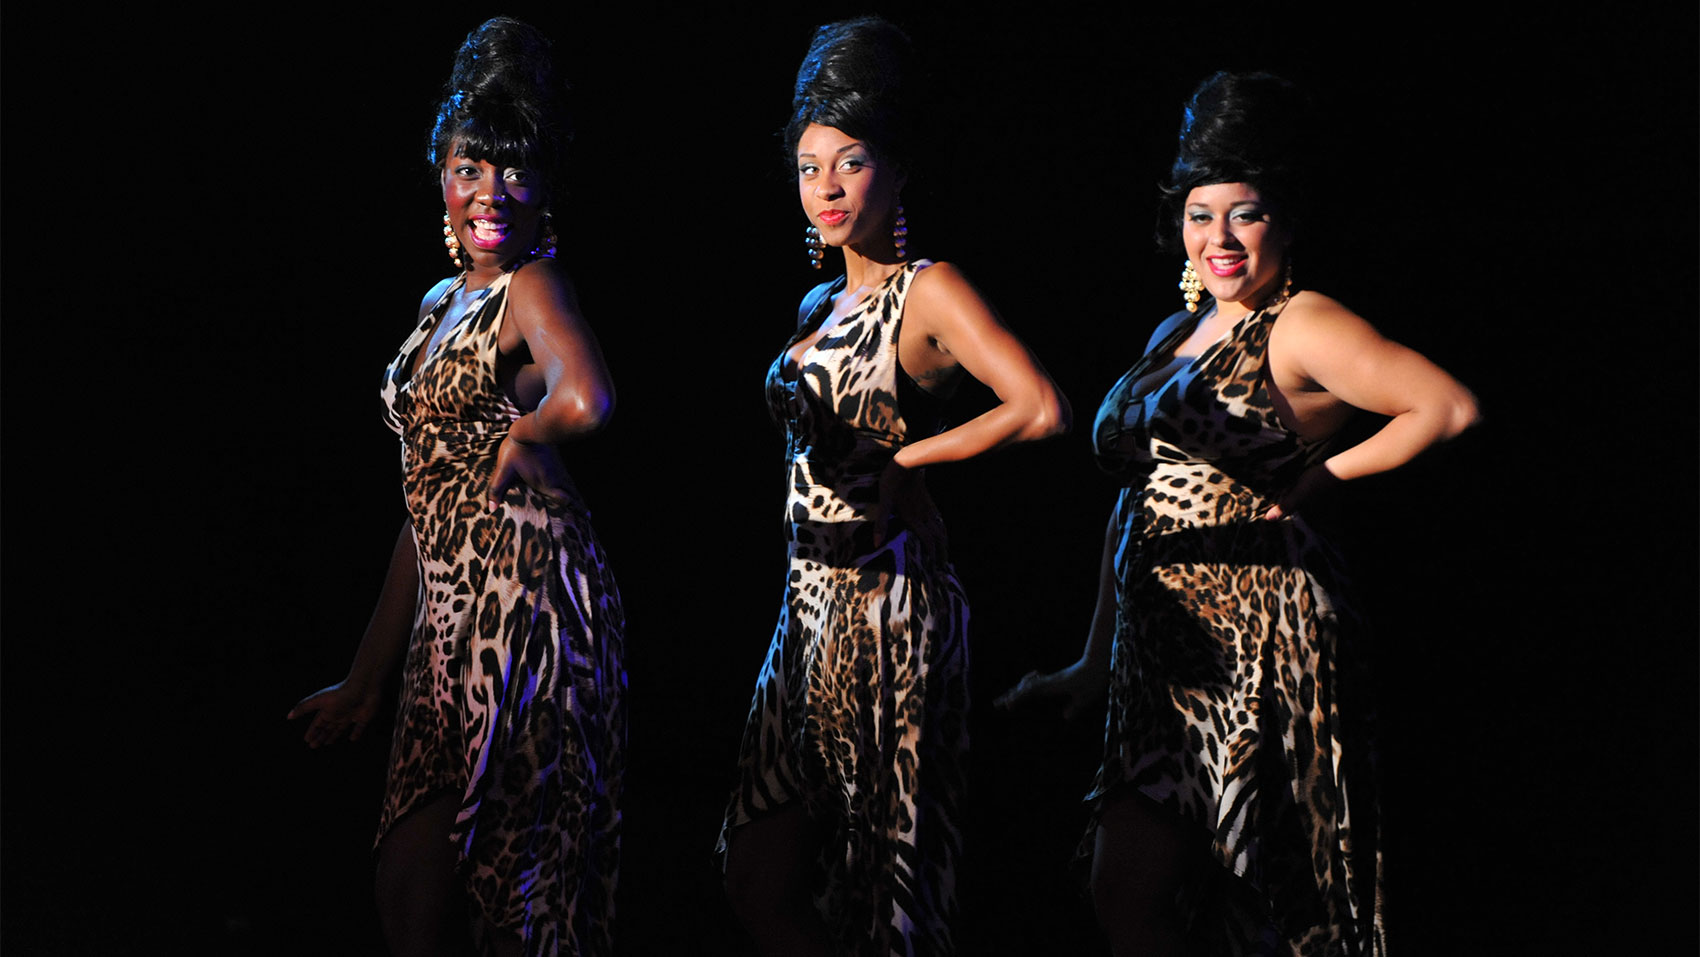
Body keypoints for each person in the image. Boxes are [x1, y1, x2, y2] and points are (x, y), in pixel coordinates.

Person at [998, 72, 1478, 955]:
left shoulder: (1301, 324)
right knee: (1124, 890)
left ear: (1285, 219)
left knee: (1262, 903)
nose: (1218, 236)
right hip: (1160, 656)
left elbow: (1444, 407)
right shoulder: (1171, 336)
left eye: (1244, 213)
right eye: (1199, 212)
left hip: (1259, 643)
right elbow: (1133, 503)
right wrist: (1092, 659)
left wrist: (1320, 480)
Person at [718, 16, 1070, 957]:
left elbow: (1039, 407)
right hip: (805, 610)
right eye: (808, 165)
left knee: (887, 892)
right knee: (757, 871)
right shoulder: (815, 304)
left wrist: (909, 462)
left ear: (899, 169)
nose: (825, 188)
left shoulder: (927, 290)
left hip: (887, 611)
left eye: (850, 162)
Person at [287, 18, 624, 957]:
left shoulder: (532, 285)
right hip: (446, 623)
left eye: (515, 171)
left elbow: (588, 396)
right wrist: (365, 678)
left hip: (528, 614)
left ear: (544, 187)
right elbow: (424, 516)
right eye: (472, 166)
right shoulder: (440, 306)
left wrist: (526, 430)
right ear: (441, 168)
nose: (490, 192)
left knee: (514, 898)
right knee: (408, 886)